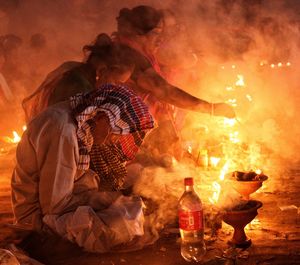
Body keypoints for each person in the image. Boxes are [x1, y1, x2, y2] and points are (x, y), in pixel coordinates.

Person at [11, 84, 156, 253]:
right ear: (103, 117)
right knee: (121, 222)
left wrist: (115, 197)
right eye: (118, 131)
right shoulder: (63, 131)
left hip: (62, 203)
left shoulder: (81, 123)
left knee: (132, 206)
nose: (117, 140)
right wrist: (108, 200)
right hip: (37, 220)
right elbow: (54, 205)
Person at [112, 5, 235, 163]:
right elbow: (164, 91)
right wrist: (211, 108)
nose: (161, 39)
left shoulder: (140, 53)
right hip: (119, 136)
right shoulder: (129, 56)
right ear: (138, 34)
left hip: (133, 131)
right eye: (155, 33)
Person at [22, 33, 135, 122]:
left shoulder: (83, 77)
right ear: (103, 70)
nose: (115, 87)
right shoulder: (80, 89)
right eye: (116, 81)